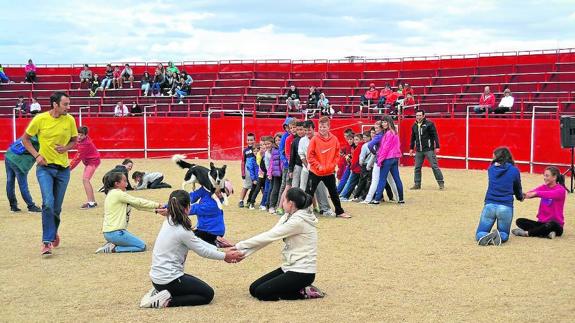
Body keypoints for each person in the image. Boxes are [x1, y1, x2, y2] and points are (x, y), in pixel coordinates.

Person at [139, 190, 243, 309]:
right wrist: (225, 256)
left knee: (199, 287)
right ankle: (165, 301)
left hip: (159, 279)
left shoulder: (169, 221)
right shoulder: (182, 231)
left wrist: (221, 251)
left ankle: (161, 291)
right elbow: (202, 251)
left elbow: (197, 242)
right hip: (168, 280)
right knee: (207, 294)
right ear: (188, 207)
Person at [219, 187, 325, 301]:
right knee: (253, 289)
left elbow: (268, 236)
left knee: (262, 293)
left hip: (303, 272)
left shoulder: (298, 221)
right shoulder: (288, 216)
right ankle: (297, 289)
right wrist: (243, 254)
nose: (282, 203)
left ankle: (303, 292)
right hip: (289, 267)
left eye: (284, 200)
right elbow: (269, 237)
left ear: (291, 204)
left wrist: (238, 246)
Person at [21, 92, 78, 256]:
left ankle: (52, 232)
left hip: (63, 170)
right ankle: (46, 242)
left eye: (69, 104)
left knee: (57, 207)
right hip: (45, 168)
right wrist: (37, 155)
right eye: (65, 104)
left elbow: (74, 140)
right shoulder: (40, 119)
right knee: (47, 202)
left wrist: (66, 148)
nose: (68, 107)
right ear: (55, 104)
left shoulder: (70, 120)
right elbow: (25, 139)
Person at [95, 172, 166, 254]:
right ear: (117, 184)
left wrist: (156, 210)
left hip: (110, 233)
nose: (127, 183)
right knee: (141, 246)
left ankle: (113, 244)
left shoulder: (114, 194)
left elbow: (137, 206)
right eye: (125, 181)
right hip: (115, 233)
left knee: (138, 244)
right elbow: (138, 202)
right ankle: (113, 248)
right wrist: (158, 205)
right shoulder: (118, 194)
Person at [475, 147, 523, 246]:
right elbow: (517, 187)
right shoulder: (514, 170)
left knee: (480, 233)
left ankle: (487, 237)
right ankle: (498, 236)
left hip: (490, 204)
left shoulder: (491, 169)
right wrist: (519, 197)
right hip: (506, 206)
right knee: (504, 234)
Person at [306, 116, 351, 218]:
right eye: (320, 127)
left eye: (324, 127)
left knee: (334, 192)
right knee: (308, 192)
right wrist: (318, 166)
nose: (322, 129)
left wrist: (332, 165)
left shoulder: (334, 139)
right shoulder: (314, 139)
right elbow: (310, 156)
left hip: (329, 172)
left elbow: (337, 155)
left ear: (329, 127)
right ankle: (302, 213)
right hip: (315, 171)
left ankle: (339, 212)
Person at [512, 166, 567, 239]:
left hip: (556, 225)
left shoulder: (561, 190)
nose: (544, 178)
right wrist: (523, 195)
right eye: (544, 175)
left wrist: (536, 194)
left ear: (554, 177)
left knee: (551, 224)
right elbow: (532, 192)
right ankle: (547, 233)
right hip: (541, 223)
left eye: (547, 176)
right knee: (520, 221)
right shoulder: (543, 187)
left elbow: (549, 194)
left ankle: (527, 233)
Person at [298, 120, 335, 216]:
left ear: (314, 129)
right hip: (307, 170)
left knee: (321, 190)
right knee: (304, 190)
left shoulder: (321, 138)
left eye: (309, 130)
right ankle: (304, 210)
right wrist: (307, 166)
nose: (307, 132)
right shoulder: (302, 140)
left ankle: (325, 209)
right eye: (305, 130)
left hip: (320, 170)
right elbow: (301, 155)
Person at [372, 116, 405, 204]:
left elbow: (385, 149)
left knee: (382, 179)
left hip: (387, 159)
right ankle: (401, 199)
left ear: (389, 122)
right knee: (397, 178)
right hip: (395, 158)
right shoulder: (395, 133)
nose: (383, 124)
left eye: (385, 122)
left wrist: (379, 160)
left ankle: (377, 199)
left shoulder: (388, 133)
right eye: (382, 122)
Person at [5, 136, 42, 213]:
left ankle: (13, 206)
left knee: (10, 182)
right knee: (23, 185)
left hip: (9, 155)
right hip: (20, 163)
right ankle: (31, 206)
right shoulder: (41, 142)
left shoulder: (29, 133)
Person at [409, 110, 445, 190]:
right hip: (419, 150)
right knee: (417, 167)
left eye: (419, 115)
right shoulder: (414, 125)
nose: (418, 117)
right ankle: (417, 184)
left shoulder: (429, 124)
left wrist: (437, 146)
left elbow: (435, 135)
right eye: (417, 115)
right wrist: (411, 148)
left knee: (434, 166)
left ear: (423, 116)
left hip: (429, 149)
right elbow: (413, 138)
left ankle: (440, 182)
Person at [70, 126, 101, 209]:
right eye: (78, 135)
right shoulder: (83, 140)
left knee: (85, 180)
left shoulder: (85, 144)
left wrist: (68, 169)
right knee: (86, 180)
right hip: (91, 161)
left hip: (92, 162)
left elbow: (77, 159)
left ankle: (91, 203)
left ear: (86, 135)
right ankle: (92, 202)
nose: (79, 137)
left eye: (81, 135)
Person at [340, 133, 364, 200]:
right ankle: (358, 196)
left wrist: (351, 167)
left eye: (357, 140)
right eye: (355, 140)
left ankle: (344, 196)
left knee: (350, 183)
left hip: (356, 169)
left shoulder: (358, 148)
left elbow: (355, 160)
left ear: (361, 140)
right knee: (358, 183)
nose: (355, 141)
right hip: (359, 169)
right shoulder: (360, 147)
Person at [267, 133, 283, 214]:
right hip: (276, 173)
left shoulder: (284, 148)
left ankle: (279, 205)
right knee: (275, 189)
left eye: (279, 140)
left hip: (283, 172)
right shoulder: (274, 150)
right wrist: (269, 173)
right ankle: (271, 206)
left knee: (282, 189)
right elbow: (271, 163)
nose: (278, 142)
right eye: (276, 140)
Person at [239, 133, 256, 208]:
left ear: (254, 140)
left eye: (251, 140)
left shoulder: (257, 148)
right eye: (248, 140)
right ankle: (241, 201)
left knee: (259, 186)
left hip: (256, 170)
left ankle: (263, 202)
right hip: (248, 171)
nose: (250, 141)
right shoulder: (245, 150)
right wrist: (243, 173)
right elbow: (243, 162)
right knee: (246, 186)